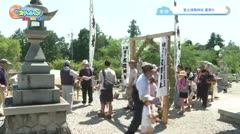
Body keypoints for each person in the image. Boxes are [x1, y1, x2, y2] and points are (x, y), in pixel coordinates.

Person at [125, 62, 155, 134]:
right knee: (137, 121)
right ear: (148, 71)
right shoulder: (142, 80)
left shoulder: (145, 77)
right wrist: (154, 99)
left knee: (142, 120)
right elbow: (142, 96)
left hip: (142, 101)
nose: (152, 74)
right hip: (140, 102)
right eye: (152, 72)